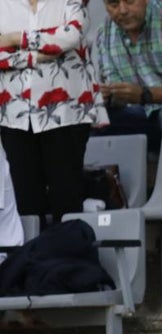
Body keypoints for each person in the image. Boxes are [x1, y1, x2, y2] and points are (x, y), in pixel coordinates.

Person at [0, 0, 105, 225]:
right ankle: (31, 258)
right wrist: (33, 56)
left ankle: (67, 257)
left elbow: (71, 35)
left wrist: (14, 39)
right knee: (26, 200)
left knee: (66, 195)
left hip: (66, 110)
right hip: (15, 114)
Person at [92, 0, 162, 154]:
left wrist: (146, 95)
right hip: (141, 111)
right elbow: (116, 92)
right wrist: (108, 96)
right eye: (113, 4)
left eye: (129, 1)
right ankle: (108, 177)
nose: (122, 10)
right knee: (97, 119)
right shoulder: (105, 32)